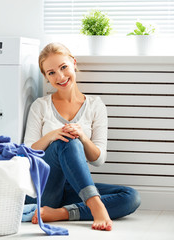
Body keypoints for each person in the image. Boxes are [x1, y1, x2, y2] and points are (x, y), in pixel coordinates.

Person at [24, 42, 141, 231]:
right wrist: (53, 135)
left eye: (63, 67)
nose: (60, 76)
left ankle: (61, 213)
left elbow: (98, 159)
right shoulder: (41, 105)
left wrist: (83, 137)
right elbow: (28, 153)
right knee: (66, 140)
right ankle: (96, 206)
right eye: (51, 73)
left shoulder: (95, 105)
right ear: (46, 77)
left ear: (73, 63)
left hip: (75, 188)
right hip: (45, 187)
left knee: (131, 196)